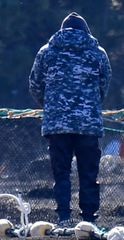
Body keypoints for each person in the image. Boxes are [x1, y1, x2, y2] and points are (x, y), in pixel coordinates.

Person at [28, 14, 112, 224]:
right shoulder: (98, 54)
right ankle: (89, 220)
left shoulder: (46, 53)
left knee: (61, 173)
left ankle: (64, 217)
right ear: (86, 31)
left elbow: (35, 85)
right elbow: (104, 86)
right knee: (89, 174)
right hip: (88, 124)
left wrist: (51, 106)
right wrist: (90, 105)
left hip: (57, 125)